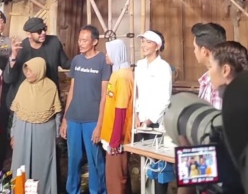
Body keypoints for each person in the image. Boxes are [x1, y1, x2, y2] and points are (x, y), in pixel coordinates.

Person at [61, 25, 111, 194]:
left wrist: (99, 125)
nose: (80, 43)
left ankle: (98, 191)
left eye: (84, 40)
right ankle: (72, 190)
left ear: (95, 41)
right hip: (74, 118)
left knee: (95, 160)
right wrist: (65, 119)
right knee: (73, 159)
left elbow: (104, 96)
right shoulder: (76, 60)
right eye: (79, 40)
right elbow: (72, 91)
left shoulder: (103, 61)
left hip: (92, 120)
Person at [10, 57, 62, 194]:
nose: (27, 73)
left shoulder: (50, 87)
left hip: (44, 134)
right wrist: (13, 134)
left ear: (40, 70)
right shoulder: (23, 86)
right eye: (26, 70)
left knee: (42, 165)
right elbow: (16, 113)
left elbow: (57, 113)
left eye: (31, 70)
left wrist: (56, 136)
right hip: (23, 130)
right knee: (21, 166)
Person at [134, 30, 173, 194]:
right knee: (144, 166)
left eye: (148, 42)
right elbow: (137, 93)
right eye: (143, 41)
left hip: (155, 124)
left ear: (157, 46)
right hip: (139, 123)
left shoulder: (164, 68)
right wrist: (136, 114)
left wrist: (149, 120)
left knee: (158, 168)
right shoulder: (139, 65)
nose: (144, 45)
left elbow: (165, 98)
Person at [100, 39, 134, 194]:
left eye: (108, 51)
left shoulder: (123, 77)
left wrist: (114, 141)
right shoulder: (117, 73)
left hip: (117, 138)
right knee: (117, 178)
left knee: (115, 181)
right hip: (111, 134)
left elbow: (121, 110)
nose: (106, 55)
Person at [192, 22, 227, 108]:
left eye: (195, 47)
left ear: (204, 51)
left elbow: (218, 120)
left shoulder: (218, 82)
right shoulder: (207, 78)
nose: (194, 51)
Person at [0, 9, 11, 172]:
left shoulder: (8, 42)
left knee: (2, 122)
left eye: (2, 22)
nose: (0, 24)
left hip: (4, 87)